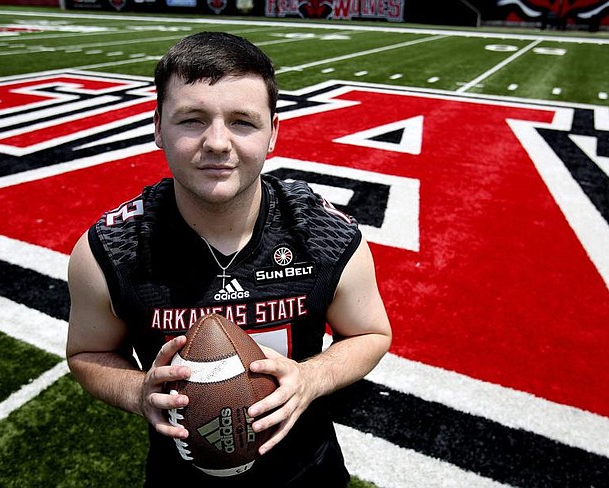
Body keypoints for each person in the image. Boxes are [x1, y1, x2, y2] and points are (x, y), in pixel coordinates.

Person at [65, 31, 392, 486]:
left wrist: (311, 378)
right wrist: (138, 389)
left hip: (307, 471)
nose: (217, 142)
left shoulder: (323, 233)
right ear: (157, 126)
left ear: (273, 132)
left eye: (243, 121)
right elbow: (87, 352)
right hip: (179, 476)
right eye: (192, 119)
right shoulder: (112, 249)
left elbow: (372, 333)